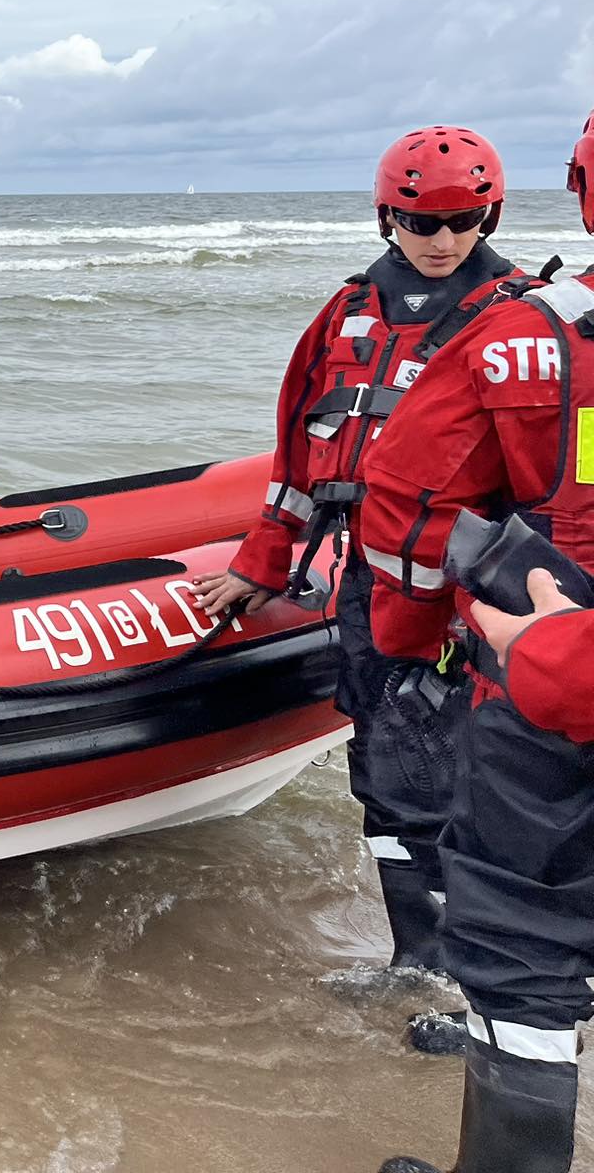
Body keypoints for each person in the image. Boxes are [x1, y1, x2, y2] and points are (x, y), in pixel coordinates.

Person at [192, 125, 522, 986]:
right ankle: (417, 959)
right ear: (387, 219)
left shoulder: (522, 321)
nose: (443, 240)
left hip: (475, 593)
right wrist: (262, 563)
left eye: (463, 220)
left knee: (472, 775)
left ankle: (484, 974)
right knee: (384, 765)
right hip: (373, 583)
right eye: (421, 222)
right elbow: (300, 453)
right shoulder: (346, 314)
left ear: (489, 216)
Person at [362, 110, 594, 1173]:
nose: (439, 236)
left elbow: (406, 509)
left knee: (523, 943)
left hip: (541, 679)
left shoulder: (517, 338)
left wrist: (421, 642)